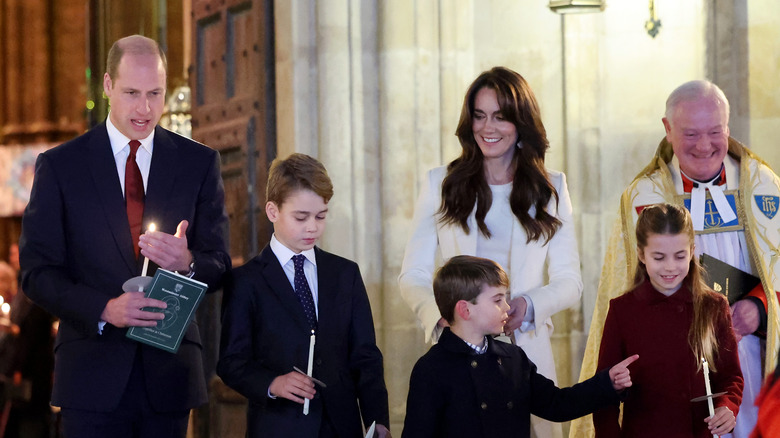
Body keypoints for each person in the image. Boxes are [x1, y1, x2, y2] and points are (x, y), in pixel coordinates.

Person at [19, 34, 231, 438]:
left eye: (156, 93)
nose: (145, 108)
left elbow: (219, 264)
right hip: (90, 376)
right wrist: (104, 309)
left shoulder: (199, 163)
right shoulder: (61, 166)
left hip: (170, 376)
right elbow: (37, 272)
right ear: (107, 86)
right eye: (132, 92)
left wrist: (187, 262)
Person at [571, 80, 780, 438]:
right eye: (691, 133)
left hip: (751, 354)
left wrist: (761, 309)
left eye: (715, 131)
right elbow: (623, 287)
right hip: (670, 368)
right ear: (667, 130)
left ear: (728, 128)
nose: (705, 145)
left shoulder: (763, 186)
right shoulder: (643, 196)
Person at [399, 66, 582, 438]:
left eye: (500, 117)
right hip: (460, 353)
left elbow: (570, 281)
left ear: (521, 124)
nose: (488, 128)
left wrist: (527, 306)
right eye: (479, 116)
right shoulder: (442, 183)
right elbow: (412, 274)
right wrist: (446, 317)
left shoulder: (552, 188)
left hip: (527, 350)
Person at [217, 153, 390, 438]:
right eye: (301, 217)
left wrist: (377, 420)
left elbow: (366, 356)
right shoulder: (246, 281)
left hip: (341, 427)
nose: (313, 227)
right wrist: (273, 384)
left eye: (321, 216)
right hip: (278, 427)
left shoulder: (345, 273)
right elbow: (232, 363)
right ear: (273, 212)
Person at [402, 255, 637, 438]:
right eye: (497, 300)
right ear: (465, 310)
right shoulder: (431, 369)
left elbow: (557, 404)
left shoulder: (513, 358)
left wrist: (607, 383)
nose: (507, 307)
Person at [593, 204, 743, 437]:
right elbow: (604, 392)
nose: (670, 267)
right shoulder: (622, 310)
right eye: (659, 257)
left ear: (692, 251)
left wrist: (727, 406)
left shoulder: (714, 306)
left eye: (680, 256)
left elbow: (730, 377)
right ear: (642, 254)